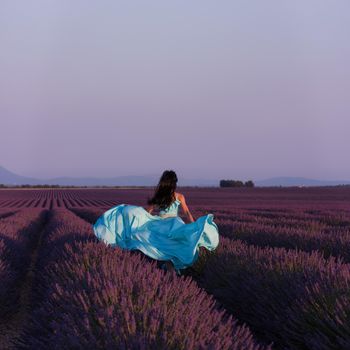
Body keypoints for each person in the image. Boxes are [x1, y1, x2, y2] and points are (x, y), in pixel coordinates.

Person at [92, 170, 219, 275]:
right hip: (174, 224)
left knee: (163, 248)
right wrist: (194, 226)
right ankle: (171, 272)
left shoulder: (159, 195)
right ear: (174, 183)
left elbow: (148, 212)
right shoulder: (179, 196)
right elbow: (186, 213)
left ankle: (169, 272)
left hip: (160, 225)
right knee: (171, 248)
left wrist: (138, 216)